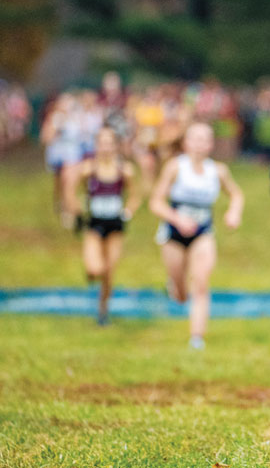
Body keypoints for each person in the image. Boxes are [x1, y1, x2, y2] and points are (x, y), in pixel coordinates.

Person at [150, 122, 244, 349]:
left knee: (200, 282)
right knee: (181, 293)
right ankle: (175, 287)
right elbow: (156, 202)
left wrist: (233, 213)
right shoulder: (175, 167)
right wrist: (177, 219)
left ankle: (197, 338)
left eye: (205, 139)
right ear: (186, 143)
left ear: (211, 144)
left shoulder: (218, 170)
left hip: (203, 232)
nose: (200, 144)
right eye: (196, 139)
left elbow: (236, 194)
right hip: (173, 233)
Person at [64, 127, 141, 325]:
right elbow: (71, 192)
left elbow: (135, 196)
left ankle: (103, 308)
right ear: (96, 145)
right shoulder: (88, 169)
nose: (105, 147)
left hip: (115, 224)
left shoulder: (125, 170)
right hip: (94, 223)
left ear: (115, 146)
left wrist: (127, 212)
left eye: (109, 143)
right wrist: (77, 212)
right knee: (95, 268)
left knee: (108, 269)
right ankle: (91, 274)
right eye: (102, 143)